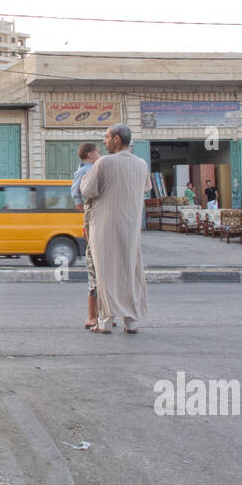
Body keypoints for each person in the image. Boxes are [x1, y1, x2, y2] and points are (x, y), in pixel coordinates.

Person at [79, 123, 149, 334]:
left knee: (105, 272)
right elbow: (145, 189)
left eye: (107, 137)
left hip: (104, 226)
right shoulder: (141, 164)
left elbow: (87, 190)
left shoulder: (104, 163)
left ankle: (105, 321)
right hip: (130, 226)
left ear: (117, 139)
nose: (104, 141)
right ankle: (131, 320)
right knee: (129, 270)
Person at [71, 142, 101, 329]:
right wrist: (77, 201)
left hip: (96, 224)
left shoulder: (95, 168)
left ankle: (101, 315)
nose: (100, 154)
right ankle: (93, 316)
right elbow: (75, 188)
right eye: (97, 151)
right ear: (90, 155)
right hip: (93, 224)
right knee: (95, 271)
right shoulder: (87, 171)